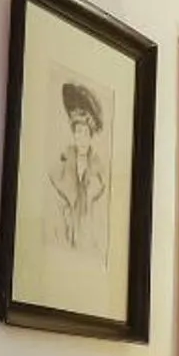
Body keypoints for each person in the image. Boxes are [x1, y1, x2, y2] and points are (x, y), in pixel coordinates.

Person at [50, 82, 108, 255]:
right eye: (77, 132)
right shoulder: (60, 165)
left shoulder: (100, 172)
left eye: (84, 132)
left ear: (91, 135)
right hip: (62, 239)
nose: (80, 137)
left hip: (89, 243)